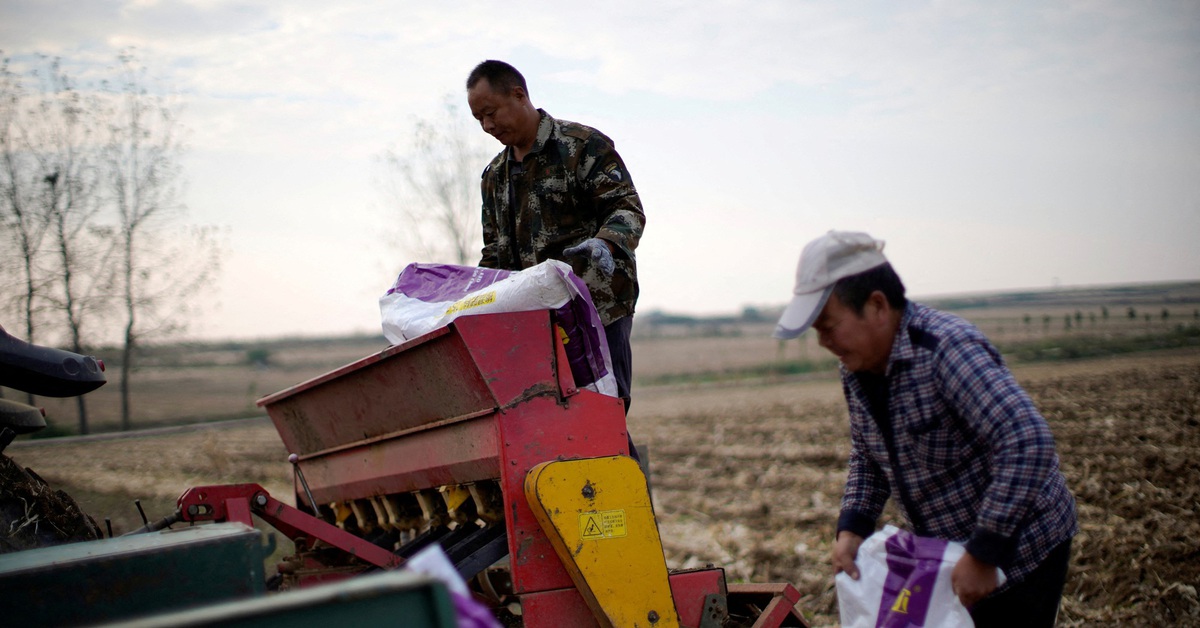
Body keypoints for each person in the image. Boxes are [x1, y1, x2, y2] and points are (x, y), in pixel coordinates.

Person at [774, 230, 1077, 627]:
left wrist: (985, 552)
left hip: (1021, 551)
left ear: (877, 306)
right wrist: (853, 526)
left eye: (828, 326)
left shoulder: (945, 350)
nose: (823, 342)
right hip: (951, 556)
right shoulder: (857, 368)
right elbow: (868, 453)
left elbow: (1025, 441)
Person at [465, 60, 644, 414]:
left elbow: (626, 208)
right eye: (478, 119)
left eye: (491, 113)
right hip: (531, 322)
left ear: (519, 95)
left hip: (595, 311)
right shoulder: (494, 176)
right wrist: (474, 299)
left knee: (602, 417)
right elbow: (493, 253)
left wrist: (605, 243)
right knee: (549, 425)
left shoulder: (581, 146)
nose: (487, 126)